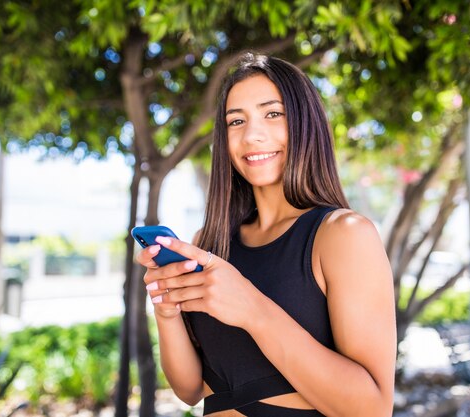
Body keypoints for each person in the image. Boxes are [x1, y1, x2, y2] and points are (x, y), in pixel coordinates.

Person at [138, 53, 396, 417]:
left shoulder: (343, 235)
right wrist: (167, 310)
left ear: (305, 124)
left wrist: (251, 308)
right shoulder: (210, 243)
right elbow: (191, 389)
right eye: (236, 120)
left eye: (272, 114)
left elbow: (373, 410)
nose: (252, 135)